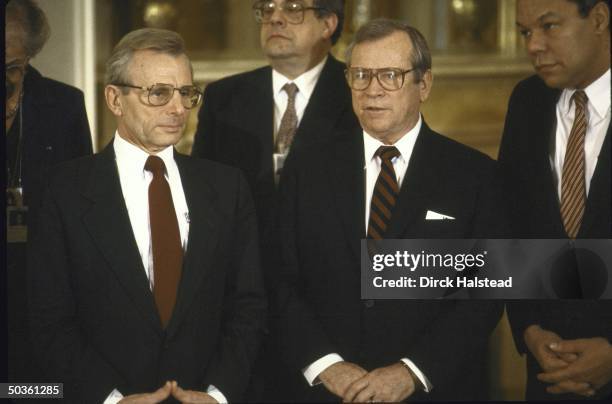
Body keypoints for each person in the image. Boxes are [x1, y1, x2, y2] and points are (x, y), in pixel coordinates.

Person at [27, 28, 266, 403]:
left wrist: (218, 395)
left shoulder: (227, 187)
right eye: (158, 93)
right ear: (115, 99)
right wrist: (111, 399)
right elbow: (49, 319)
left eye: (186, 93)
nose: (178, 108)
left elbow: (248, 307)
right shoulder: (64, 191)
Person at [275, 19, 502, 402]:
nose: (372, 90)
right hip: (327, 391)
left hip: (433, 390)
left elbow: (485, 296)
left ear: (424, 84)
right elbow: (279, 278)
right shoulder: (306, 169)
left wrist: (412, 372)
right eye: (360, 75)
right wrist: (325, 364)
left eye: (390, 76)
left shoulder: (476, 176)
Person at [191, 1, 359, 400]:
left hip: (329, 317)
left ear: (329, 23)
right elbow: (203, 198)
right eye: (266, 9)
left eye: (294, 8)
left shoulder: (360, 91)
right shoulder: (224, 97)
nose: (275, 18)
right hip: (241, 311)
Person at [499, 0, 611, 400]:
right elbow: (512, 228)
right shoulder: (527, 102)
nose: (533, 46)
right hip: (549, 373)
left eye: (549, 27)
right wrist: (530, 329)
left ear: (599, 19)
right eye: (526, 32)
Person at [5, 0, 93, 384]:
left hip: (43, 288)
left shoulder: (63, 104)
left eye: (12, 67)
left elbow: (85, 205)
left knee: (33, 392)